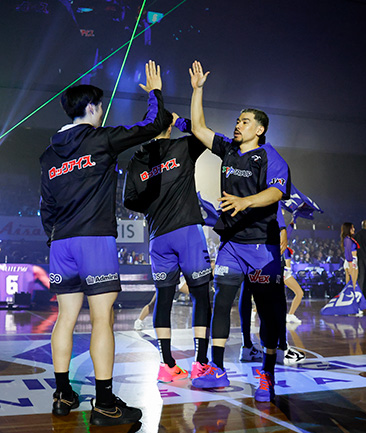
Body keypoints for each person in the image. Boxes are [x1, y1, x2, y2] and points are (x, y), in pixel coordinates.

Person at [39, 60, 170, 426]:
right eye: (101, 106)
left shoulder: (49, 154)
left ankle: (63, 394)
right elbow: (154, 125)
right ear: (92, 108)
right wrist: (155, 93)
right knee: (102, 319)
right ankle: (106, 404)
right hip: (94, 241)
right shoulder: (101, 139)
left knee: (65, 318)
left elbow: (45, 207)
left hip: (60, 244)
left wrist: (55, 236)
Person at [188, 61, 291, 403]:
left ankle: (268, 373)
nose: (237, 124)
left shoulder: (271, 158)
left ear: (259, 129)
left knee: (268, 312)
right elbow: (199, 127)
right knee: (221, 303)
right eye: (237, 120)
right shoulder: (229, 149)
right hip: (231, 245)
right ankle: (216, 368)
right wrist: (198, 90)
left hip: (262, 247)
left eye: (245, 121)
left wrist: (245, 202)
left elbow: (275, 193)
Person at [123, 113, 213, 383]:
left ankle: (167, 364)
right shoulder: (182, 146)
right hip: (187, 231)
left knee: (163, 299)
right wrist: (182, 121)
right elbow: (204, 133)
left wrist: (154, 203)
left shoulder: (137, 160)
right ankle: (200, 363)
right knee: (200, 296)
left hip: (158, 236)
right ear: (170, 127)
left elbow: (129, 200)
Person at [341, 222, 359, 289]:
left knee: (352, 282)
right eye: (352, 228)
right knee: (353, 283)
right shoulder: (347, 239)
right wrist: (350, 264)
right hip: (351, 261)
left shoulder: (349, 239)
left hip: (352, 260)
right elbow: (348, 251)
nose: (354, 229)